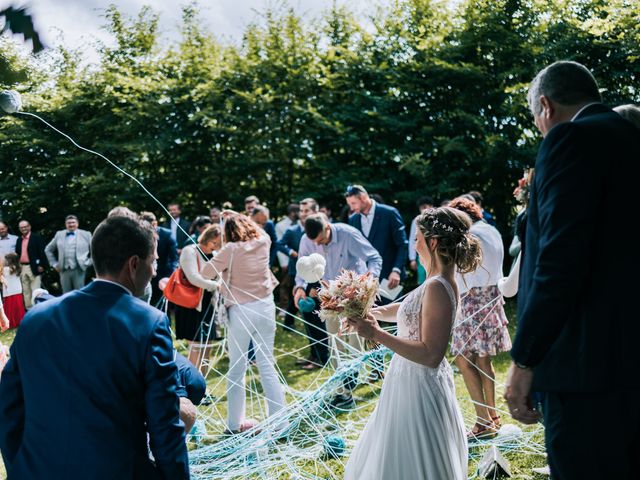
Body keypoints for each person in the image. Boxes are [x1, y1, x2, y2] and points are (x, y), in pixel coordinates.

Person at [504, 61, 640, 479]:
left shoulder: (571, 138)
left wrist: (525, 360)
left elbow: (560, 261)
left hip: (585, 365)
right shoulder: (630, 139)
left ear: (545, 106)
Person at [0, 215, 189, 479]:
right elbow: (165, 425)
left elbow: (9, 408)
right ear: (134, 265)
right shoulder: (148, 323)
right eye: (153, 260)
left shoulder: (36, 318)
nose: (155, 270)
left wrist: (20, 467)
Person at [344, 207, 480, 480]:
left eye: (416, 237)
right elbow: (409, 309)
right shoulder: (435, 282)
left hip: (420, 384)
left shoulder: (438, 286)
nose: (413, 243)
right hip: (406, 379)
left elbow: (431, 354)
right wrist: (373, 313)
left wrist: (376, 334)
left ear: (432, 242)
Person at [201, 214, 287, 435]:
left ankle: (233, 424)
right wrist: (236, 216)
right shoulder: (264, 241)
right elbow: (264, 232)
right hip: (266, 307)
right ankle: (280, 424)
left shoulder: (230, 250)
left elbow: (205, 272)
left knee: (237, 368)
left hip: (241, 311)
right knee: (267, 365)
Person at [294, 213, 382, 409]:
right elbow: (302, 266)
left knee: (355, 344)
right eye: (316, 242)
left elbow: (374, 257)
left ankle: (351, 379)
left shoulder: (348, 234)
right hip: (328, 299)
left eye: (322, 240)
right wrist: (299, 287)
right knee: (334, 343)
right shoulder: (306, 240)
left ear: (327, 226)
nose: (320, 244)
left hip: (353, 297)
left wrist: (367, 282)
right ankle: (343, 393)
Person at [449, 197, 511, 439]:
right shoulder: (492, 230)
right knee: (484, 361)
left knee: (463, 360)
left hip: (473, 299)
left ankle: (482, 421)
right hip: (493, 295)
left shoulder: (471, 235)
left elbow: (463, 270)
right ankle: (492, 416)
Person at [277, 198, 324, 366]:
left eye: (306, 211)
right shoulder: (300, 233)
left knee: (319, 320)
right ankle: (314, 354)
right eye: (301, 211)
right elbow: (300, 262)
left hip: (323, 280)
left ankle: (322, 357)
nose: (302, 215)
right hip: (306, 280)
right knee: (307, 318)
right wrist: (300, 286)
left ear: (315, 212)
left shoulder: (323, 230)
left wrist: (319, 287)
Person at [174, 225, 222, 373]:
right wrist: (215, 285)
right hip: (191, 304)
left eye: (219, 244)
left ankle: (203, 387)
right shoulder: (190, 251)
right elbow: (193, 277)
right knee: (196, 346)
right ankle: (192, 386)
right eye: (215, 243)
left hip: (208, 303)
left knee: (208, 344)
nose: (216, 246)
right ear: (207, 238)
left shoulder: (215, 254)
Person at [346, 184, 408, 295]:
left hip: (389, 278)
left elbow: (402, 244)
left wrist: (396, 270)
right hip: (364, 283)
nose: (351, 208)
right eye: (349, 204)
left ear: (363, 197)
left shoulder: (389, 213)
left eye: (353, 203)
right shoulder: (353, 219)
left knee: (392, 311)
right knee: (370, 313)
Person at [45, 215, 92, 293]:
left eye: (73, 222)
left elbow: (95, 249)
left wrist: (89, 262)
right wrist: (54, 264)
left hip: (79, 269)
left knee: (79, 293)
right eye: (69, 223)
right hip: (63, 270)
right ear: (65, 224)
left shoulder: (86, 234)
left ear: (77, 224)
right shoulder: (59, 234)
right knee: (66, 294)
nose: (71, 225)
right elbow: (48, 249)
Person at [141, 211, 178, 305]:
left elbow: (174, 258)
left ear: (155, 223)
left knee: (162, 306)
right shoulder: (140, 234)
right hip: (145, 276)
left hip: (163, 274)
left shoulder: (167, 234)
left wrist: (169, 277)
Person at [15, 219, 49, 309]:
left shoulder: (36, 237)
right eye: (21, 227)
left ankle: (37, 310)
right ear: (19, 229)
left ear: (29, 227)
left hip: (34, 267)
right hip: (22, 267)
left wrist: (42, 265)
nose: (24, 229)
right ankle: (29, 310)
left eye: (25, 227)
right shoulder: (19, 240)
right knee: (26, 291)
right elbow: (17, 253)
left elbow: (43, 252)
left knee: (36, 290)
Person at [408, 195, 435, 283]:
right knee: (422, 282)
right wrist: (412, 258)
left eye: (425, 207)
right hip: (421, 255)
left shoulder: (437, 219)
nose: (423, 210)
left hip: (435, 253)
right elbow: (412, 240)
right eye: (421, 208)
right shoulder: (416, 220)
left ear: (431, 206)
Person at [1, 253, 25, 328]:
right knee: (18, 307)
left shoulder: (6, 270)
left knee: (10, 308)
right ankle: (19, 320)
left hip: (9, 291)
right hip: (17, 290)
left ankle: (11, 322)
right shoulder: (18, 268)